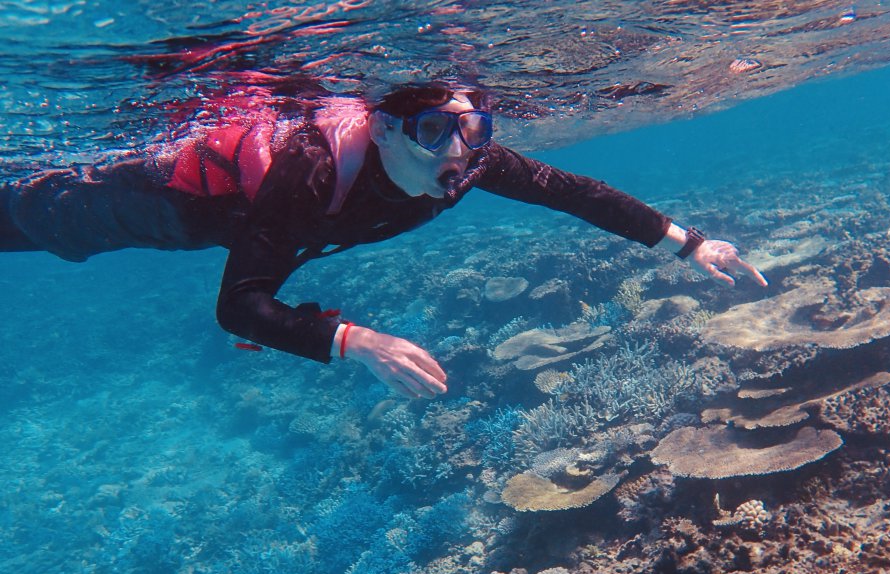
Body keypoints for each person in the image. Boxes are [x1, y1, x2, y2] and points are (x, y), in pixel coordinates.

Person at [0, 82, 767, 399]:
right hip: (167, 205)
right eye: (434, 131)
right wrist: (354, 341)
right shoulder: (309, 174)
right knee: (42, 216)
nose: (459, 153)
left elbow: (573, 192)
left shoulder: (468, 165)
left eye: (475, 130)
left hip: (224, 219)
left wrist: (689, 244)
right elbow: (240, 305)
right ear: (383, 129)